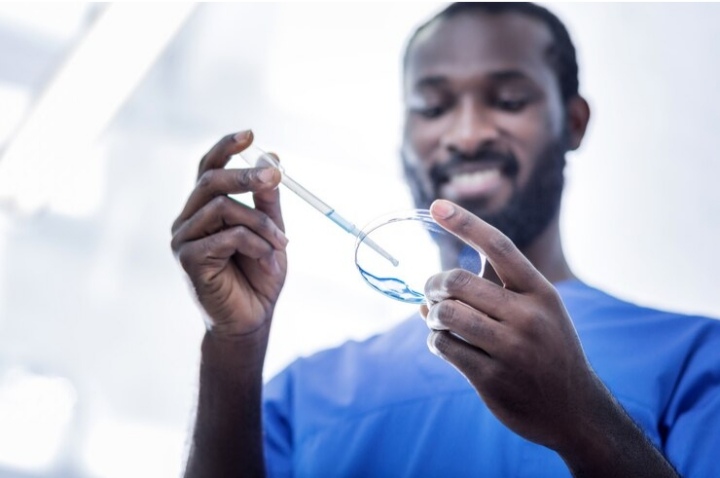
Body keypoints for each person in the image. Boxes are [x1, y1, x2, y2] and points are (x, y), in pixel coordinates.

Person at [171, 3, 720, 477]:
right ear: (404, 139)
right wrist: (233, 344)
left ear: (572, 123)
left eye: (508, 100)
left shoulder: (696, 361)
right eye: (433, 108)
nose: (466, 133)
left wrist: (583, 419)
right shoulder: (302, 397)